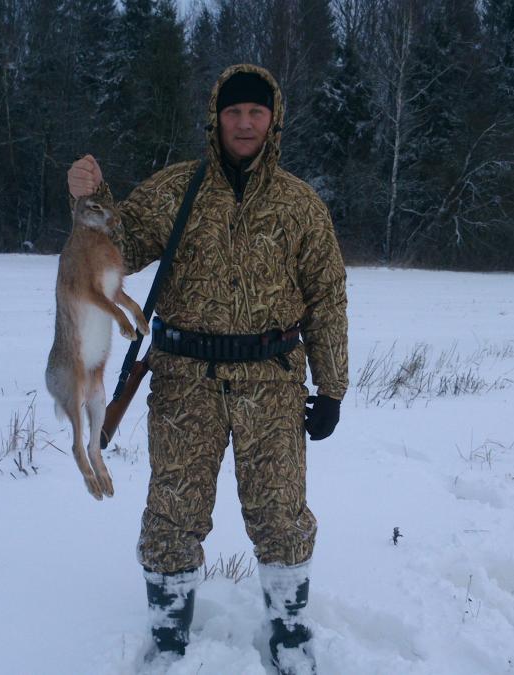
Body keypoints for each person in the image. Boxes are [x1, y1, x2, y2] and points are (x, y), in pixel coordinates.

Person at [67, 64, 348, 673]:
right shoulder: (176, 189)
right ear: (216, 118)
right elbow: (116, 248)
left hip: (272, 383)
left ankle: (290, 634)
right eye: (233, 112)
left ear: (273, 119)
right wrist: (90, 199)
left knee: (281, 514)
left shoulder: (301, 205)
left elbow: (327, 298)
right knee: (172, 513)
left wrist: (331, 388)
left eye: (256, 112)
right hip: (184, 382)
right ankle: (168, 638)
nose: (244, 123)